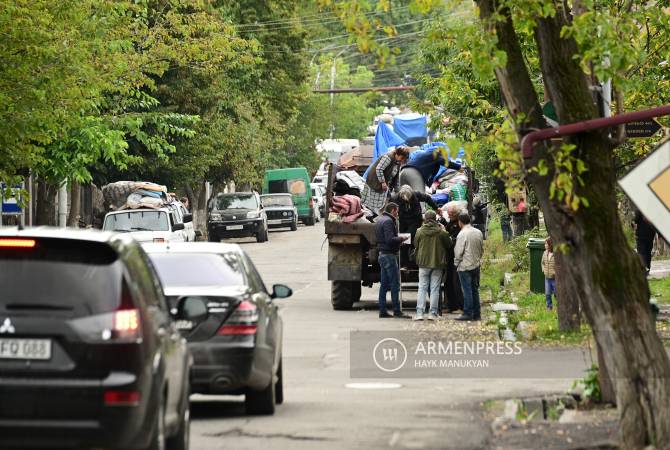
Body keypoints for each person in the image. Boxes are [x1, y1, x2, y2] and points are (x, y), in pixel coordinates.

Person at [413, 210, 453, 320]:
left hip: (423, 263)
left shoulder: (419, 231)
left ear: (425, 219)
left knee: (422, 287)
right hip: (437, 263)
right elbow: (449, 244)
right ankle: (433, 313)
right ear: (435, 219)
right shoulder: (441, 232)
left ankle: (419, 313)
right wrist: (444, 230)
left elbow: (415, 244)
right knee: (435, 288)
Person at [389, 185, 442, 266]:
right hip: (403, 221)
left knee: (409, 236)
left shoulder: (416, 194)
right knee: (403, 241)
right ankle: (405, 262)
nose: (408, 201)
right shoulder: (395, 198)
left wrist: (436, 208)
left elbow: (427, 198)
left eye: (409, 199)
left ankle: (413, 259)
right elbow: (390, 209)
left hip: (415, 220)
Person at [375, 203, 410, 319]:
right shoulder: (389, 221)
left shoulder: (380, 220)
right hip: (389, 256)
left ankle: (382, 310)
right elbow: (390, 240)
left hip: (382, 255)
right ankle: (397, 311)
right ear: (393, 210)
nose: (398, 213)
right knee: (395, 284)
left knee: (384, 285)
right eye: (397, 211)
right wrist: (402, 238)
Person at [361, 146, 410, 214]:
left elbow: (396, 177)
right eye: (402, 158)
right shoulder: (388, 157)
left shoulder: (398, 162)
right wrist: (383, 182)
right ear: (398, 154)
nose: (402, 160)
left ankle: (380, 215)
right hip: (375, 182)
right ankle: (372, 216)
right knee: (373, 204)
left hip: (385, 184)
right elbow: (379, 169)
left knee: (387, 199)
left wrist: (397, 191)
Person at [454, 212, 484, 321]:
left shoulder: (462, 234)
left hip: (465, 265)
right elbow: (481, 249)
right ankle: (477, 313)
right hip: (476, 264)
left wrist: (456, 263)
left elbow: (458, 252)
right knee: (475, 290)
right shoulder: (478, 232)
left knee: (467, 290)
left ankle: (467, 312)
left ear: (460, 222)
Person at [441, 202, 465, 313]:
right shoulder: (451, 222)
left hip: (455, 257)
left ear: (455, 214)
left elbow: (454, 239)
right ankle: (451, 305)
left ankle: (460, 306)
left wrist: (445, 233)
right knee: (448, 282)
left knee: (456, 282)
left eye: (450, 213)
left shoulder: (459, 224)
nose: (448, 215)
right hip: (449, 257)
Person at [634, 210, 657, 275]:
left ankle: (644, 270)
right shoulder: (653, 209)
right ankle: (647, 269)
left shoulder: (640, 208)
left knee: (641, 252)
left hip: (641, 233)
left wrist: (633, 225)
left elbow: (635, 220)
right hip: (651, 233)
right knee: (648, 252)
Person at [541, 237, 556, 311]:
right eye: (545, 244)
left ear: (550, 244)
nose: (545, 245)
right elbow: (542, 263)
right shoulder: (544, 253)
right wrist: (543, 270)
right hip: (547, 277)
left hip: (555, 278)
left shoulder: (555, 254)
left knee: (557, 294)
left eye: (546, 244)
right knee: (547, 293)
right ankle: (549, 307)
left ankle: (559, 308)